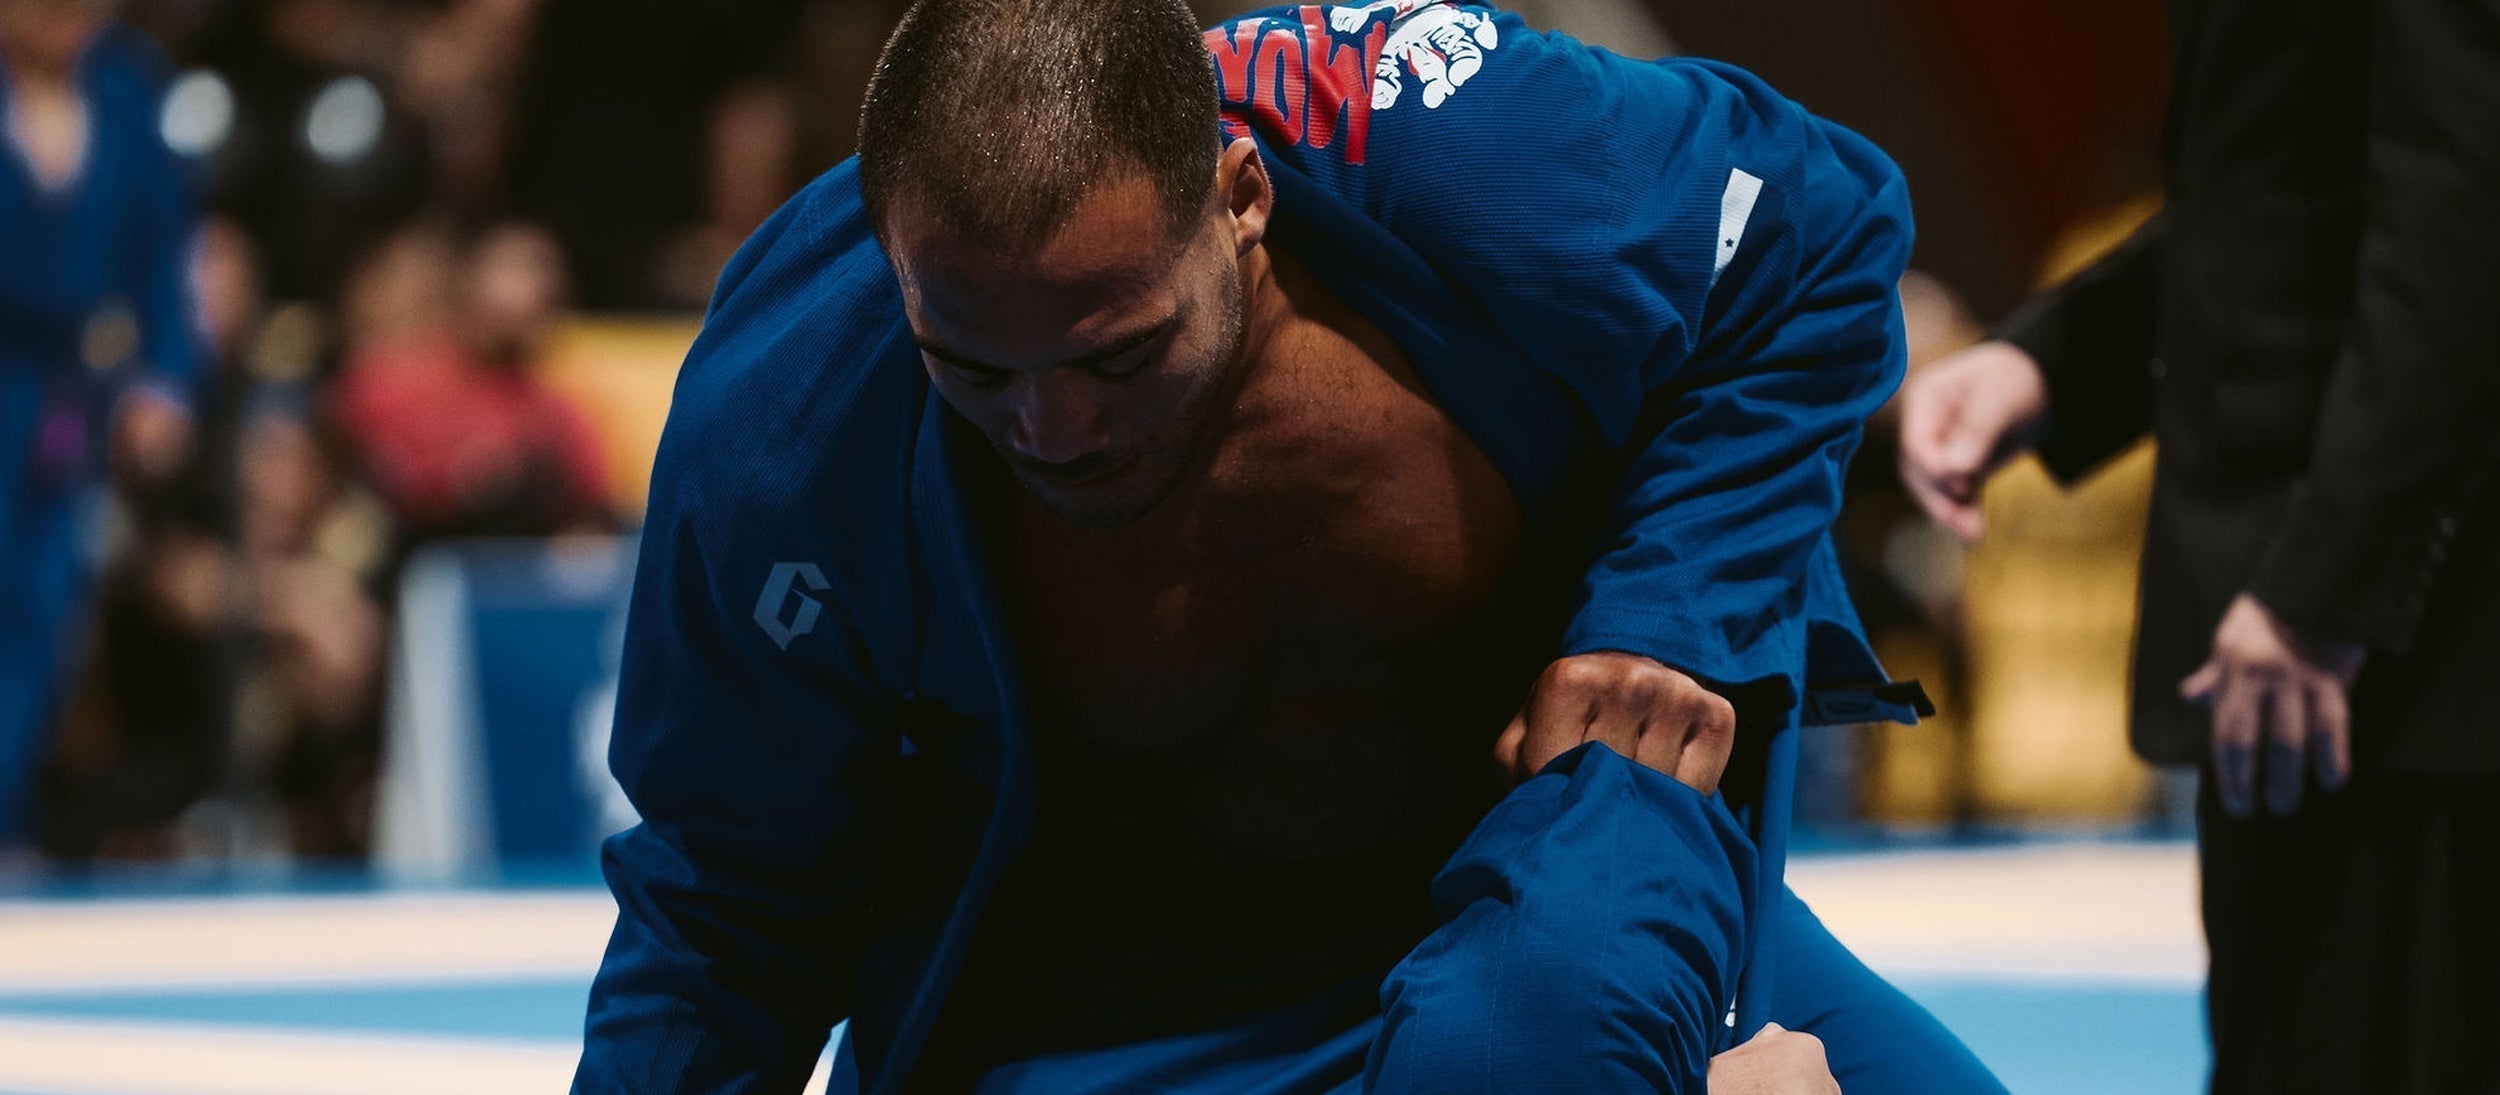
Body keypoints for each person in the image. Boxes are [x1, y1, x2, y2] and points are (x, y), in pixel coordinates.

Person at [576, 2, 2000, 1092]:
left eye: (1119, 354)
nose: (1053, 424)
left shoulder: (1459, 140)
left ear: (1240, 200)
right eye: (973, 367)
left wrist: (1671, 613)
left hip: (1555, 894)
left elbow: (1818, 231)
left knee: (1525, 1043)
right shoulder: (788, 400)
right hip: (1092, 1003)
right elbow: (726, 898)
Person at [1896, 0, 2500, 1089]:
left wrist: (2332, 582)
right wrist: (2053, 360)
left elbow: (2464, 210)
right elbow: (2284, 191)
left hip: (2403, 659)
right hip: (2317, 648)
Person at [0, 0, 196, 856]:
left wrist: (164, 381)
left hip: (60, 397)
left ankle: (5, 821)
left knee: (41, 607)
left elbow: (163, 256)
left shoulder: (124, 90)